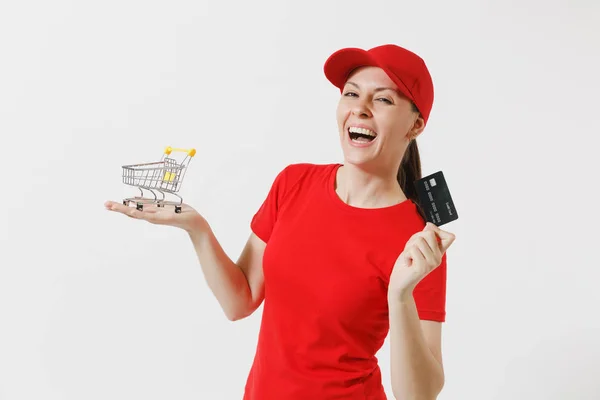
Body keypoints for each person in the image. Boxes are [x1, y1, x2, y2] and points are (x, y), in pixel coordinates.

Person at [105, 44, 456, 400]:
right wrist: (197, 228)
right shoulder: (294, 183)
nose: (359, 109)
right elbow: (239, 301)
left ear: (415, 124)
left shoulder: (419, 241)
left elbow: (419, 396)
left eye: (382, 100)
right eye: (351, 93)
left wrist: (399, 297)